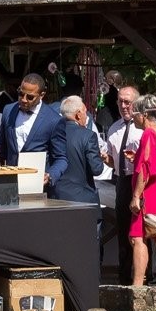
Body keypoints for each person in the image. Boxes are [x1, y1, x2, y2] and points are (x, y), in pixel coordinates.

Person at [46, 95, 105, 249]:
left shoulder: (51, 134)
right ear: (78, 114)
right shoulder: (88, 135)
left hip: (56, 198)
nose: (87, 116)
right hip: (84, 201)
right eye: (86, 112)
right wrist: (100, 157)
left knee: (61, 246)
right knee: (88, 248)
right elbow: (96, 169)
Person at [100, 82, 142, 284]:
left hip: (140, 179)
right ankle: (125, 275)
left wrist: (139, 158)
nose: (123, 106)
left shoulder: (143, 128)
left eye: (127, 102)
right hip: (122, 180)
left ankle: (149, 274)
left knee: (145, 228)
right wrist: (105, 157)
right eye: (120, 102)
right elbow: (112, 159)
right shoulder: (114, 128)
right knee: (124, 227)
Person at [129, 94, 156, 288]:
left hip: (148, 194)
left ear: (144, 114)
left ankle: (137, 285)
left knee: (137, 238)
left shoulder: (147, 134)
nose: (132, 117)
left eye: (135, 113)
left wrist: (136, 196)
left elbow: (146, 168)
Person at [0, 72, 64, 168]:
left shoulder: (53, 120)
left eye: (30, 97)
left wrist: (50, 175)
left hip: (37, 179)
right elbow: (1, 147)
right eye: (21, 94)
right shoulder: (8, 110)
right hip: (10, 179)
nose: (24, 99)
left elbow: (60, 158)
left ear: (42, 95)